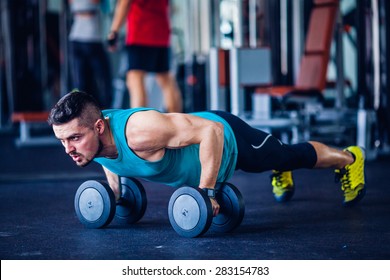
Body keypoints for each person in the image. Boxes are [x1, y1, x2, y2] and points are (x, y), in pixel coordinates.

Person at [48, 91, 366, 216]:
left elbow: (209, 133)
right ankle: (279, 169)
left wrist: (207, 192)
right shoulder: (93, 145)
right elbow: (108, 157)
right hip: (206, 147)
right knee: (278, 160)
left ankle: (350, 158)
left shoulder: (140, 131)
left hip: (226, 137)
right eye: (63, 141)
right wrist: (116, 193)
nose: (69, 149)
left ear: (100, 128)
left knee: (286, 156)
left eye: (73, 138)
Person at [107, 0, 182, 112]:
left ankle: (140, 122)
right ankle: (178, 120)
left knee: (135, 78)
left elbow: (124, 3)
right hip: (161, 33)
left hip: (140, 33)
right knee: (166, 79)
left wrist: (114, 31)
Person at [68, 0, 112, 108]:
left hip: (78, 37)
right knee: (101, 79)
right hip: (91, 38)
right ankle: (99, 110)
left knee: (83, 80)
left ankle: (84, 109)